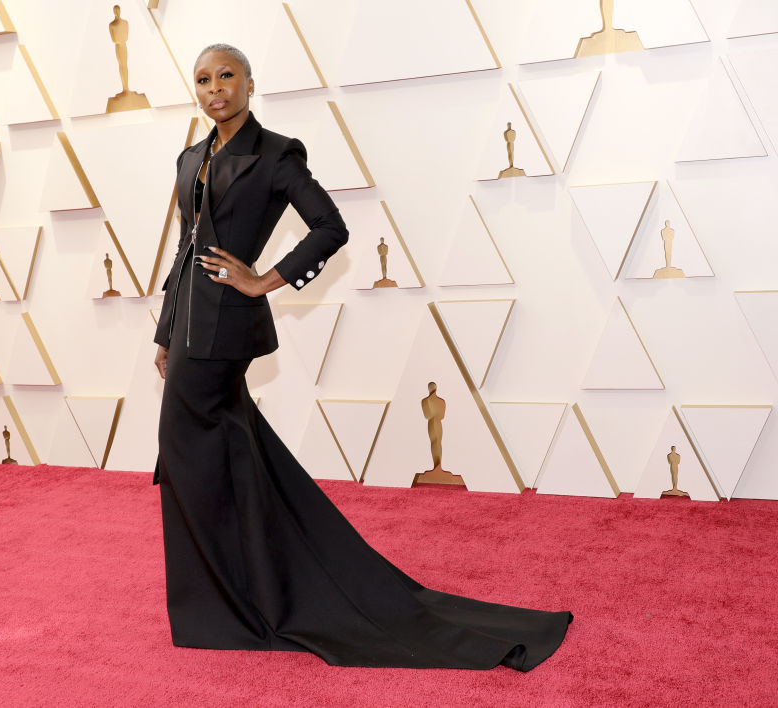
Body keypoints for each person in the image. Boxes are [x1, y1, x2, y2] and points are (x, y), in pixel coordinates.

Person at [152, 44, 571, 671]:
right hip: (185, 326)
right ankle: (251, 591)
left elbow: (331, 226)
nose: (215, 89)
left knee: (190, 458)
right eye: (204, 79)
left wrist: (265, 279)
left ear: (249, 83)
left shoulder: (275, 154)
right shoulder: (190, 157)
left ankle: (232, 604)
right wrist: (164, 332)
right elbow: (186, 252)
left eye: (227, 76)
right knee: (229, 460)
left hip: (224, 334)